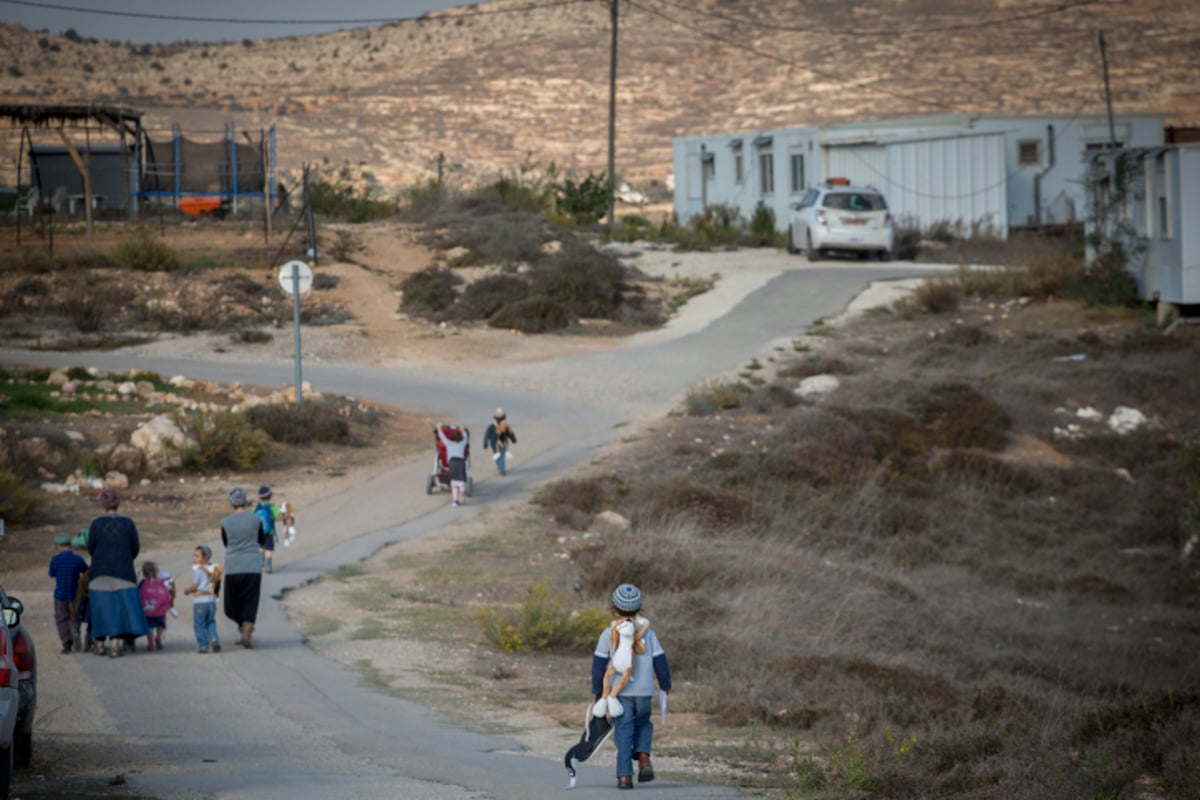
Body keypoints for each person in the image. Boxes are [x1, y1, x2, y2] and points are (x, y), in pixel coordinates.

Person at [591, 583, 672, 790]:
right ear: (639, 608)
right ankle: (644, 757)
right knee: (644, 723)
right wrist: (665, 684)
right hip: (644, 692)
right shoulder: (649, 634)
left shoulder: (608, 634)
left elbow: (599, 666)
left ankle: (624, 776)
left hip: (619, 694)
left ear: (614, 609)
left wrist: (598, 692)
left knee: (624, 729)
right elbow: (660, 661)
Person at [86, 489, 150, 657]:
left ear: (103, 505)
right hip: (123, 572)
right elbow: (135, 548)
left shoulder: (96, 524)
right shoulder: (128, 523)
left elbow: (90, 548)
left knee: (100, 609)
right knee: (119, 610)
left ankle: (99, 645)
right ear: (118, 503)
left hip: (99, 573)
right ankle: (115, 646)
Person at [222, 487, 264, 649]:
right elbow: (261, 539)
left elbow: (226, 543)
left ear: (231, 502)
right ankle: (246, 630)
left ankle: (244, 629)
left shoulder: (226, 522)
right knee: (250, 600)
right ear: (245, 501)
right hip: (252, 565)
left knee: (230, 605)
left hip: (234, 566)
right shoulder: (255, 520)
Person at [48, 531, 89, 654]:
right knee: (73, 617)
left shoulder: (55, 559)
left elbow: (51, 574)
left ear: (57, 546)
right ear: (70, 545)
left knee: (61, 618)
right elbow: (86, 571)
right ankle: (75, 633)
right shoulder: (77, 559)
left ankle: (67, 643)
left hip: (60, 594)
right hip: (75, 594)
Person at [183, 544, 223, 654]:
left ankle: (203, 645)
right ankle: (214, 639)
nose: (194, 559)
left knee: (199, 624)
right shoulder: (213, 569)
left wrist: (187, 591)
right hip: (211, 601)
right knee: (210, 621)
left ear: (205, 558)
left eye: (196, 556)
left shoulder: (199, 571)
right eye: (194, 556)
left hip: (200, 602)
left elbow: (194, 587)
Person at [138, 561, 172, 652]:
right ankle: (158, 638)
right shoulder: (161, 582)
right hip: (160, 610)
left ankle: (150, 644)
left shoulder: (143, 583)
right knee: (160, 625)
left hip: (147, 611)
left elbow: (139, 594)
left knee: (150, 628)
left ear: (144, 573)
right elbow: (167, 595)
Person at [436, 423, 470, 506]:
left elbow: (441, 435)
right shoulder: (463, 443)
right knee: (461, 480)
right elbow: (465, 436)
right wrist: (462, 429)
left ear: (451, 437)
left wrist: (439, 428)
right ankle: (462, 491)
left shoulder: (448, 443)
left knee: (454, 483)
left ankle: (455, 501)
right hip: (461, 462)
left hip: (452, 463)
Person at [254, 485, 284, 574]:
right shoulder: (272, 507)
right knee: (269, 549)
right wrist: (286, 516)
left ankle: (260, 563)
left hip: (259, 532)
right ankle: (268, 567)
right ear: (270, 496)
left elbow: (253, 517)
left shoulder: (257, 507)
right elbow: (278, 518)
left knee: (261, 547)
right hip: (269, 532)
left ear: (259, 497)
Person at [482, 408, 517, 476]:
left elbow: (510, 433)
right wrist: (485, 443)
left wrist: (513, 439)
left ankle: (502, 470)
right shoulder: (491, 427)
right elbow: (487, 435)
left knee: (501, 456)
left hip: (503, 443)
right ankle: (500, 466)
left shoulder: (505, 426)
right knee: (497, 456)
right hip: (494, 444)